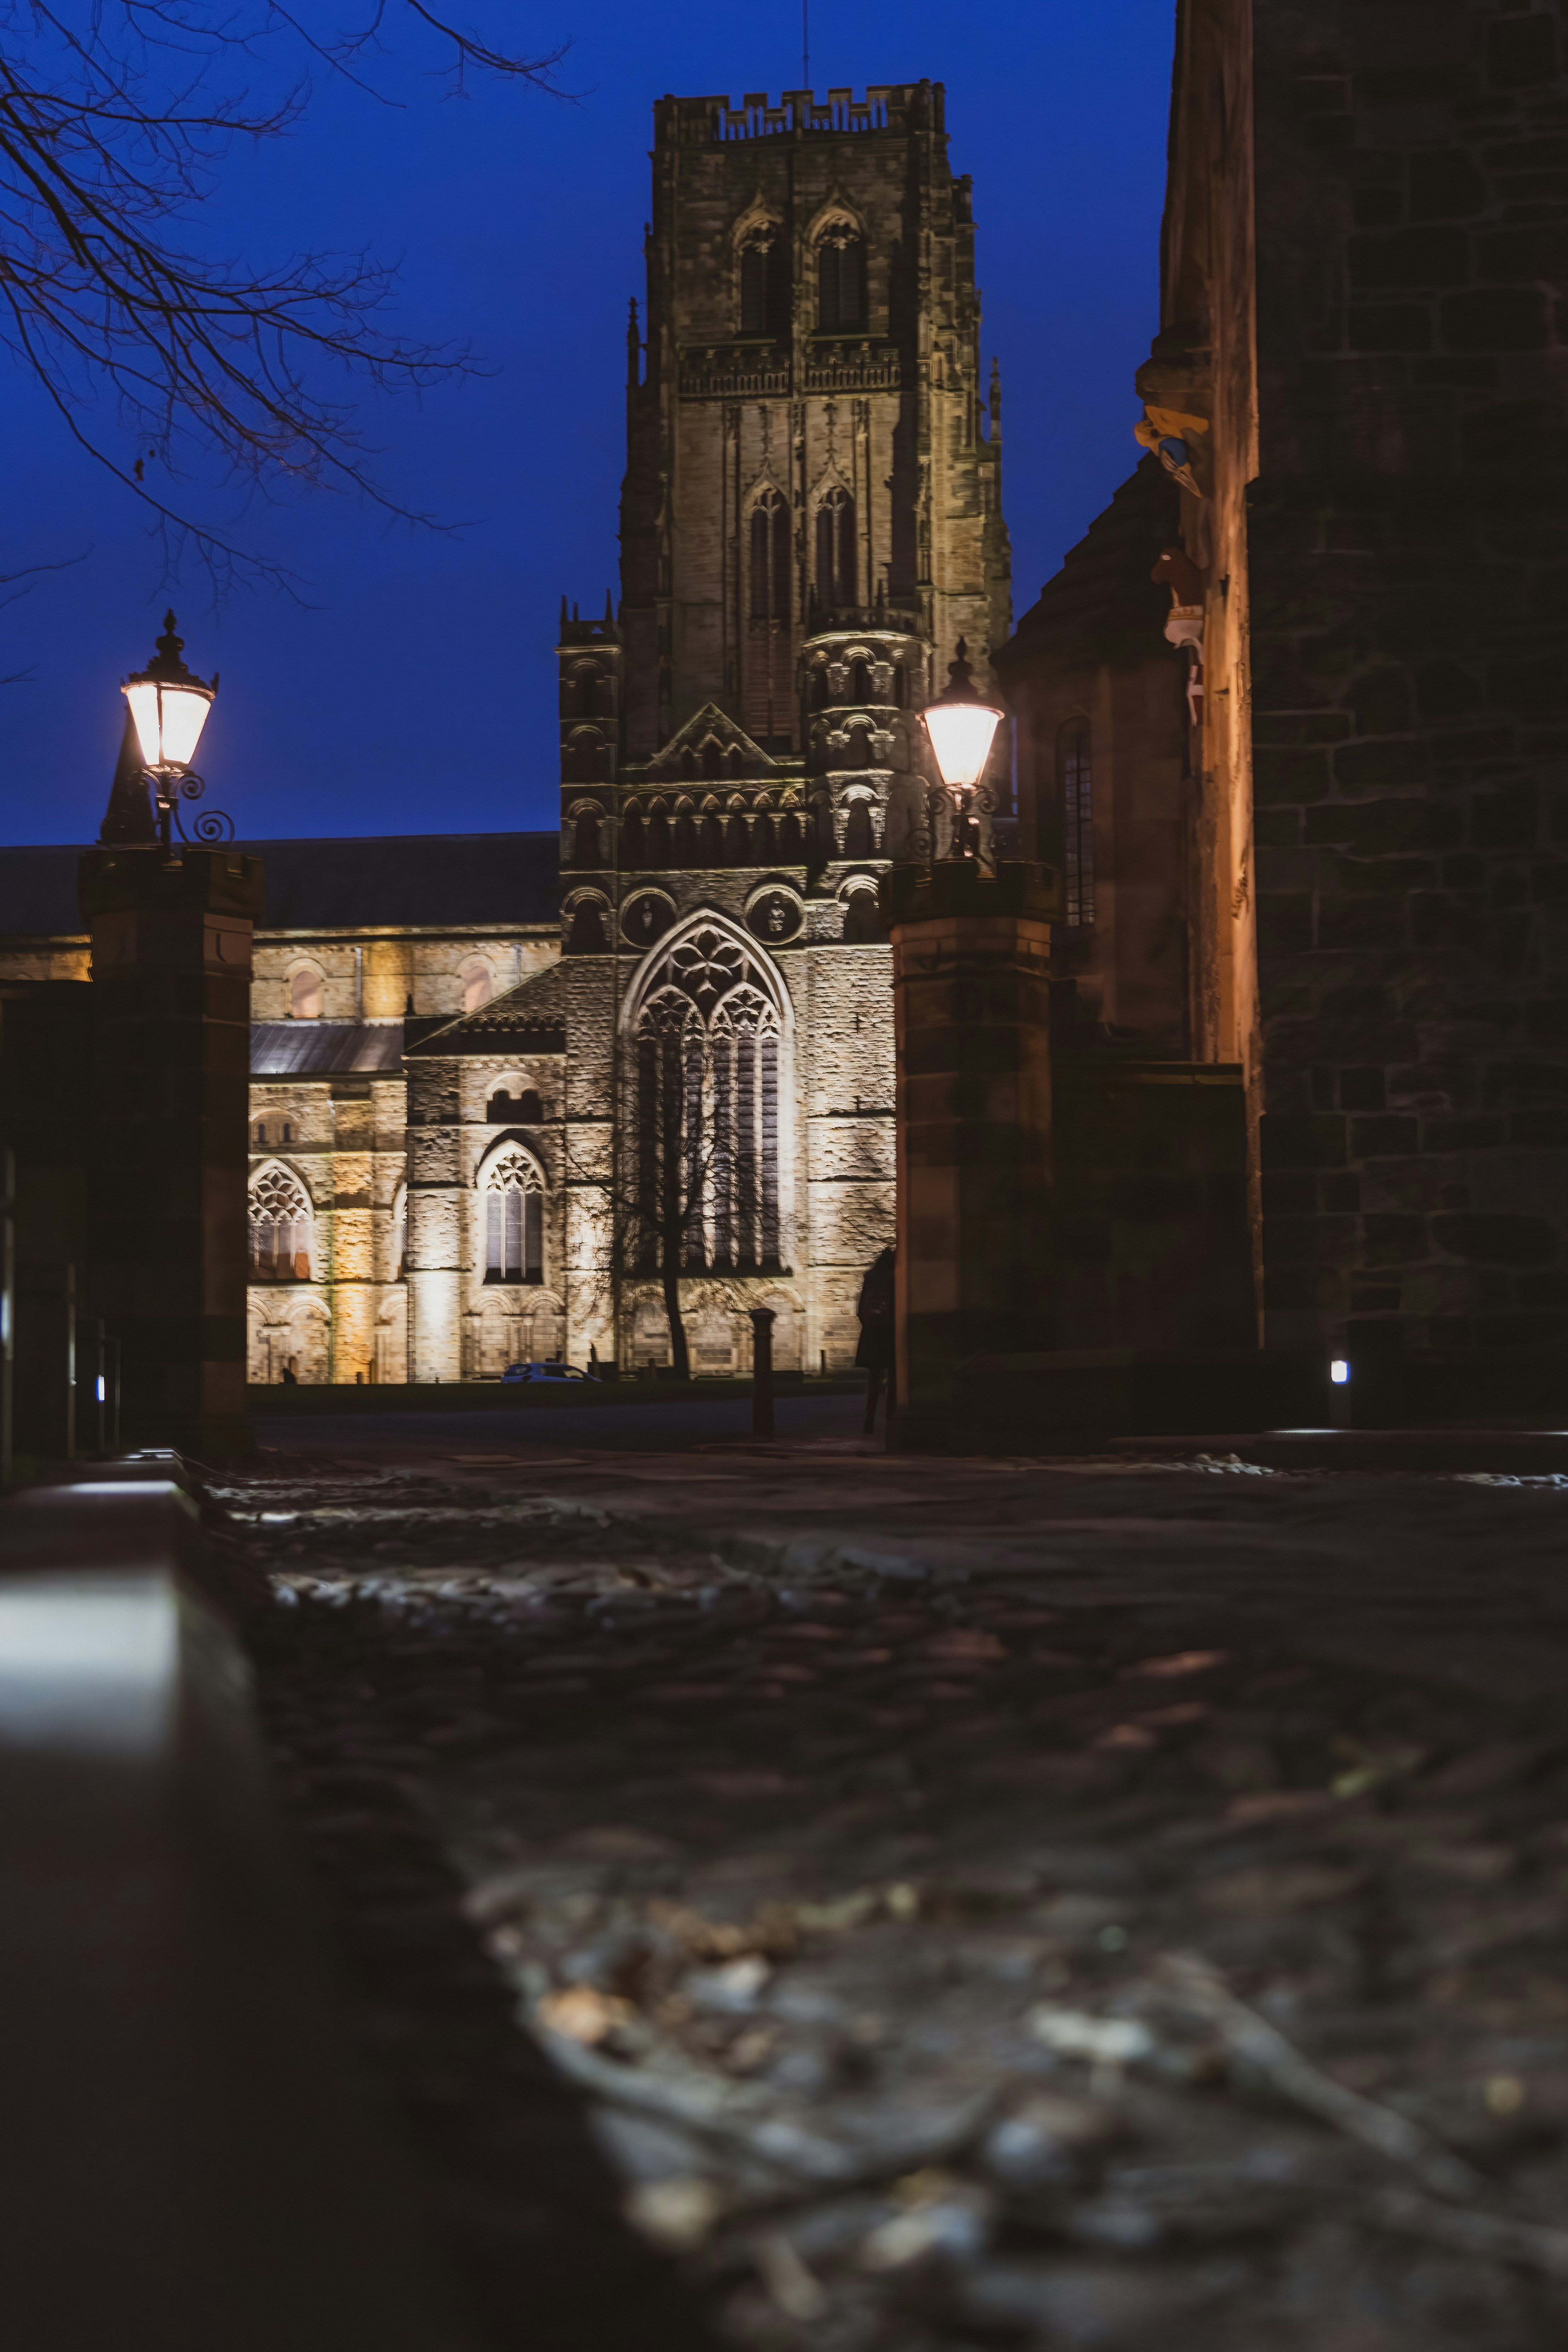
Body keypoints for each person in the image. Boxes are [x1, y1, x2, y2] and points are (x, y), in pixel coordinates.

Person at [855, 1244, 896, 1434]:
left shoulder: (871, 1277)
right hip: (889, 1332)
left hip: (872, 1333)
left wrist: (869, 1326)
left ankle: (869, 1420)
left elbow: (861, 1310)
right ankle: (892, 1418)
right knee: (894, 1379)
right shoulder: (894, 1277)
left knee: (874, 1379)